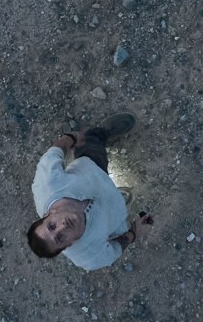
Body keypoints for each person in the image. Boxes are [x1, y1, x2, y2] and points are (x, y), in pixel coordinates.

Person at [28, 113, 151, 270]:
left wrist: (70, 138)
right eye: (60, 238)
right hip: (114, 215)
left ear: (47, 215)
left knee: (92, 143)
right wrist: (133, 233)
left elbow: (54, 153)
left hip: (93, 167)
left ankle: (101, 134)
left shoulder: (46, 184)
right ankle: (117, 198)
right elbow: (113, 251)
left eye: (52, 226)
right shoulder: (87, 257)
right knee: (116, 204)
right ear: (68, 246)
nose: (62, 227)